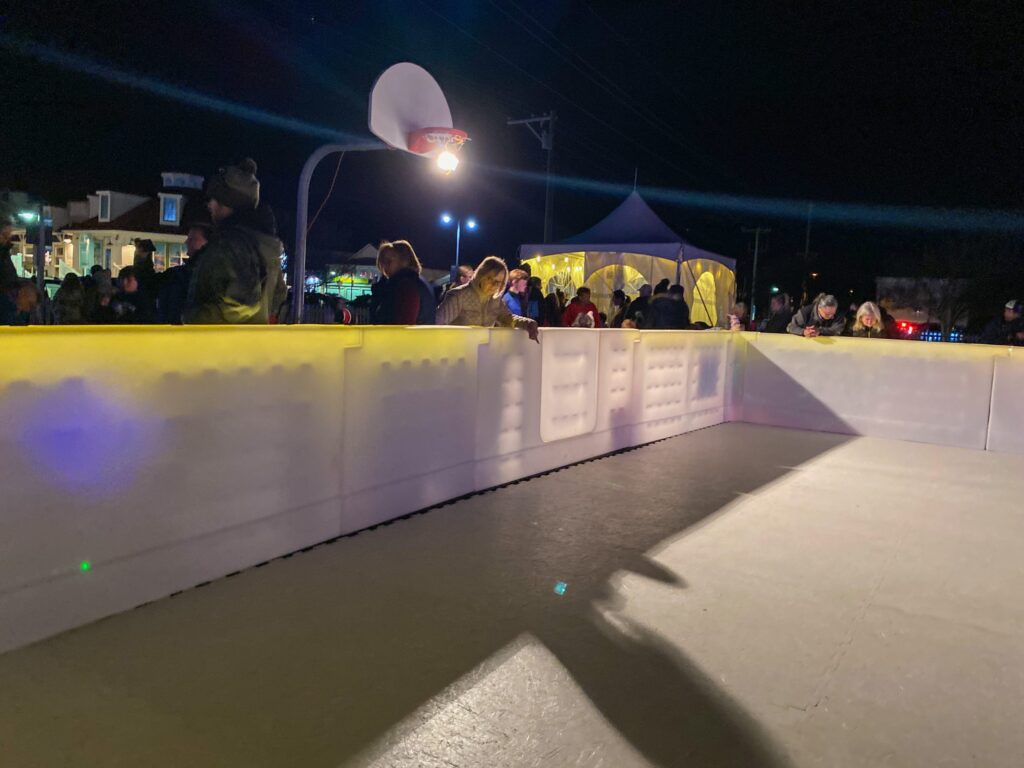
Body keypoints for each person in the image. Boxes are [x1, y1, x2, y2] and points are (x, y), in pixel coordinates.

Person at [184, 158, 287, 324]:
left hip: (217, 345)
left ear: (226, 202)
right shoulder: (264, 246)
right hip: (248, 344)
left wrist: (192, 317)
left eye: (213, 199)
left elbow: (242, 303)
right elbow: (279, 295)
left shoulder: (231, 245)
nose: (209, 205)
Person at [436, 255, 539, 342]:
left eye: (498, 282)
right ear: (481, 275)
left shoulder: (496, 300)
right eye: (490, 278)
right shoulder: (458, 296)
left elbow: (507, 318)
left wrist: (527, 323)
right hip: (457, 356)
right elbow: (437, 325)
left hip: (482, 356)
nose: (494, 285)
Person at [373, 240, 436, 325]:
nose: (384, 266)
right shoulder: (420, 282)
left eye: (389, 261)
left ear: (404, 260)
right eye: (382, 262)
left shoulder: (405, 285)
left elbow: (403, 324)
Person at [158, 222, 210, 324]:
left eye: (192, 239)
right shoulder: (178, 273)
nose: (186, 242)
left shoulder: (180, 274)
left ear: (207, 243)